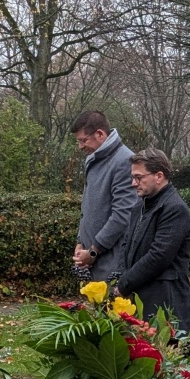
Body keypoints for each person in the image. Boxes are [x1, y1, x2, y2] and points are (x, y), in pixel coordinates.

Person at [116, 147, 190, 331]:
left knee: (164, 358)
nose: (133, 183)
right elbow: (126, 246)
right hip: (139, 300)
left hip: (165, 304)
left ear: (159, 176)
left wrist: (124, 284)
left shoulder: (174, 209)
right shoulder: (139, 207)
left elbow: (158, 256)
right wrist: (119, 278)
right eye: (133, 177)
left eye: (139, 177)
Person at [72, 111, 135, 283]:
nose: (80, 146)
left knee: (112, 309)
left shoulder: (124, 161)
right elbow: (88, 208)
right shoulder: (92, 159)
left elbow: (123, 216)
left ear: (100, 134)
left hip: (113, 262)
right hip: (91, 261)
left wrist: (93, 251)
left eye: (83, 140)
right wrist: (80, 242)